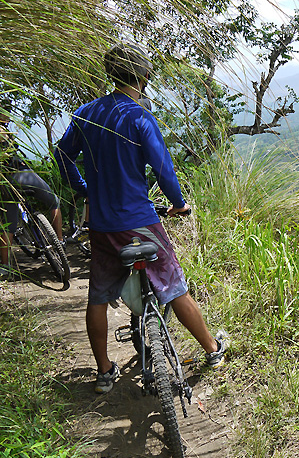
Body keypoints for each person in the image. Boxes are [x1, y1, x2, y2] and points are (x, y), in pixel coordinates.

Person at [54, 43, 226, 394]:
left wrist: (85, 189)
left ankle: (103, 371)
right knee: (174, 285)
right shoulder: (139, 116)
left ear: (109, 74)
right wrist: (178, 203)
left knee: (98, 297)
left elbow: (62, 153)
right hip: (139, 222)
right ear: (145, 76)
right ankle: (212, 349)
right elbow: (163, 168)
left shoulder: (85, 114)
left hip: (101, 226)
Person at [0, 100, 64, 275]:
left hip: (6, 182)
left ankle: (5, 266)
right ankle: (59, 241)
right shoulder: (4, 130)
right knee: (54, 201)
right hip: (23, 174)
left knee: (8, 224)